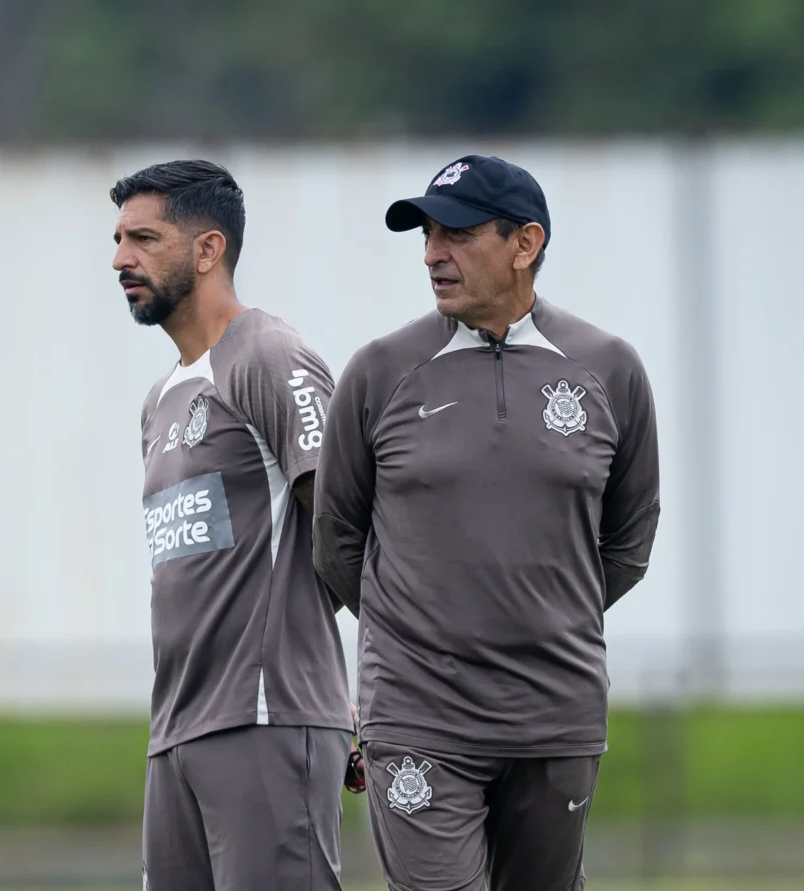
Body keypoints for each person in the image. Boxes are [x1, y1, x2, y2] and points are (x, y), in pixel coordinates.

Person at [312, 154, 661, 891]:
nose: (435, 252)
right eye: (428, 234)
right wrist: (420, 639)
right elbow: (337, 540)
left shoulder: (610, 370)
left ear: (525, 244)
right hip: (418, 716)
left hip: (555, 714)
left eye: (459, 234)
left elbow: (628, 542)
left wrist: (539, 615)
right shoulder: (378, 373)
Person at [110, 158, 363, 891]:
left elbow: (351, 531)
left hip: (266, 718)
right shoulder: (160, 398)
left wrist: (354, 692)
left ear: (208, 249)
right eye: (119, 238)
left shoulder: (266, 354)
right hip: (178, 731)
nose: (121, 258)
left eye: (144, 238)